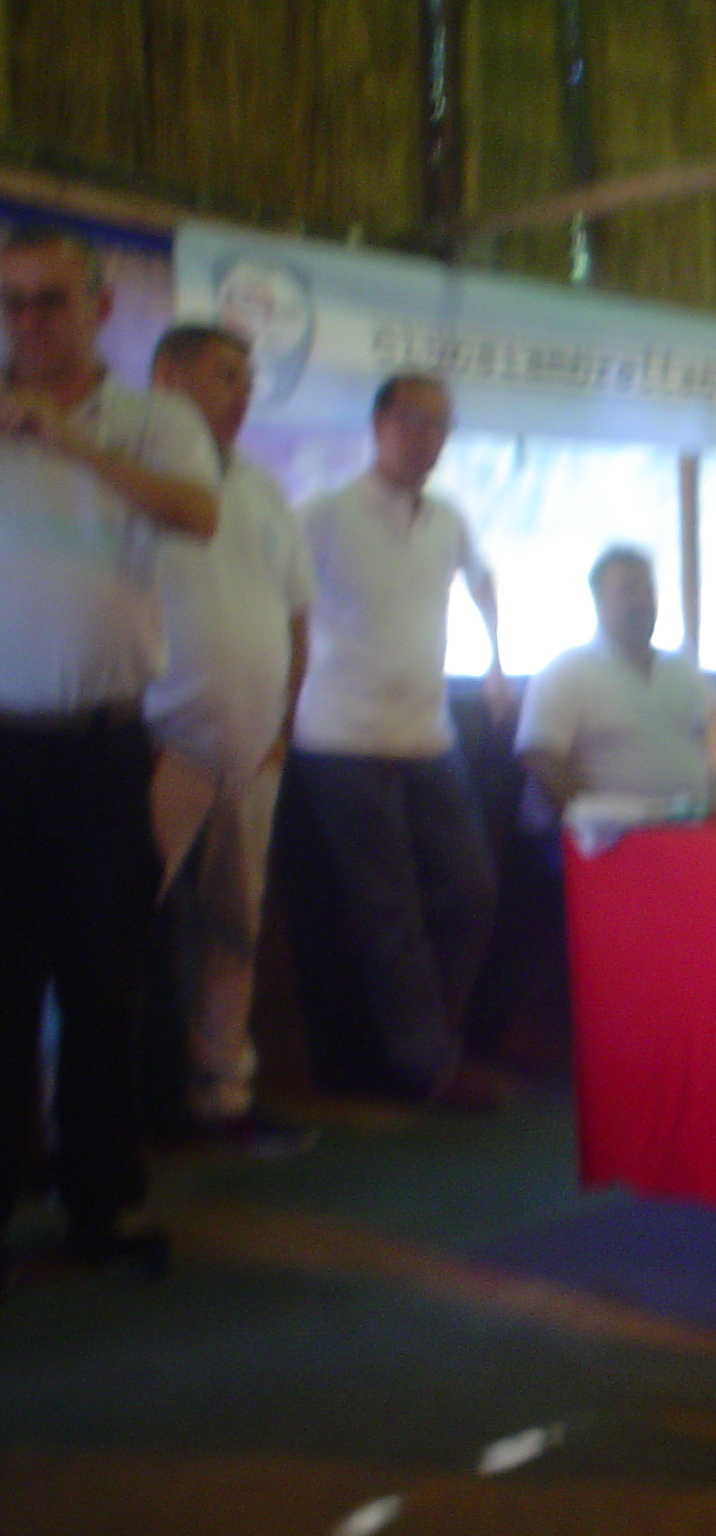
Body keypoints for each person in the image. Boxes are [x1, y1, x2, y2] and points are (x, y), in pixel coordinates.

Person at [0, 226, 220, 1279]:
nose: (27, 321)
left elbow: (197, 514)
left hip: (101, 750)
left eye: (48, 300)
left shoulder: (153, 420)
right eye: (11, 303)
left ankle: (99, 1202)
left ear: (99, 309)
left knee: (101, 989)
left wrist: (64, 440)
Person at [291, 373, 510, 1111]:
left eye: (439, 425)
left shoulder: (447, 518)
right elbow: (280, 602)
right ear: (378, 423)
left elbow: (482, 580)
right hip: (339, 737)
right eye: (412, 420)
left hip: (428, 733)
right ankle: (429, 1064)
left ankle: (423, 1042)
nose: (426, 438)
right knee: (388, 910)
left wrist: (498, 665)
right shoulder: (323, 513)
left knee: (473, 890)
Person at [143, 323, 315, 1154]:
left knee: (233, 929)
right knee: (108, 937)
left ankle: (223, 1094)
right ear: (167, 380)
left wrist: (281, 726)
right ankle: (89, 1120)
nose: (242, 393)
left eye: (248, 379)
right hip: (156, 743)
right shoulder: (131, 471)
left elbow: (297, 618)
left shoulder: (262, 488)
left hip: (252, 752)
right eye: (224, 375)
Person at [515, 544, 716, 815]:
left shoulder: (683, 667)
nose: (642, 601)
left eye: (648, 589)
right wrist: (591, 814)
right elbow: (539, 754)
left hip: (698, 820)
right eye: (628, 590)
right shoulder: (567, 669)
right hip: (609, 832)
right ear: (598, 600)